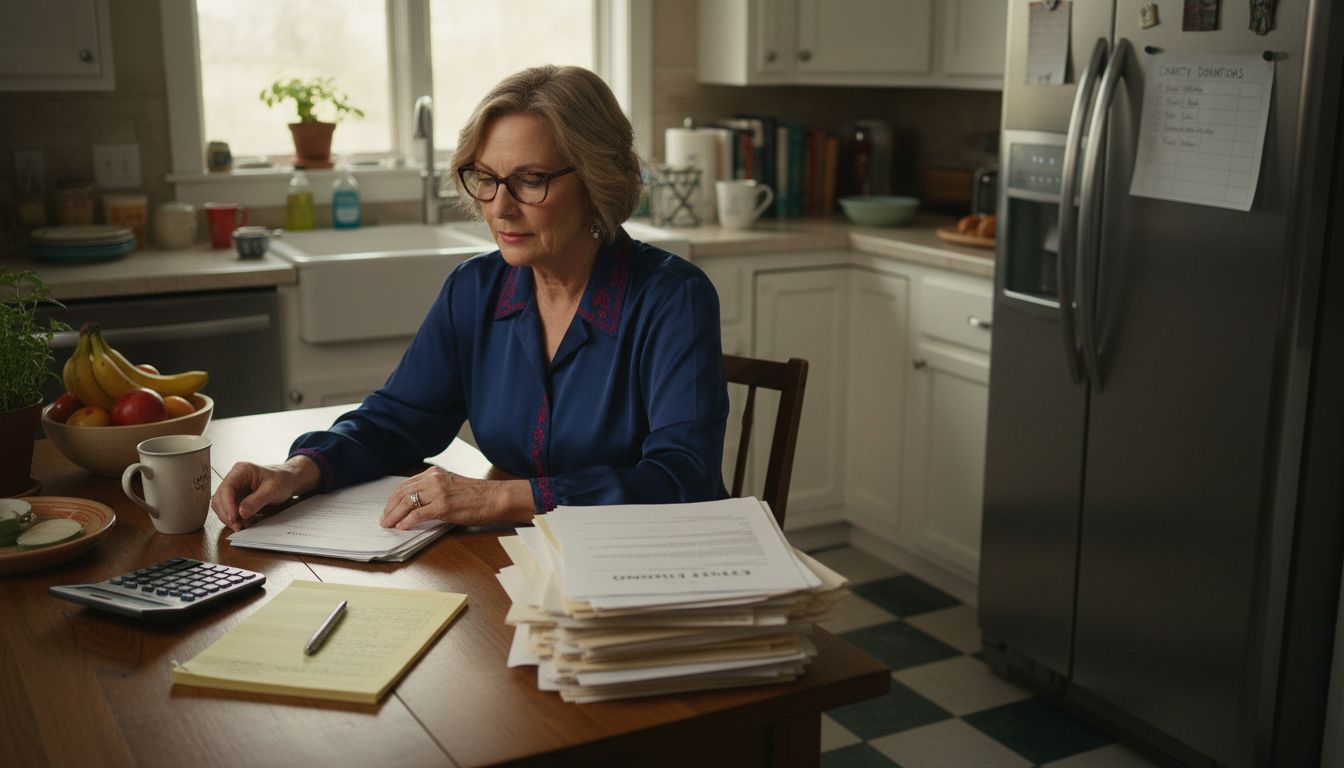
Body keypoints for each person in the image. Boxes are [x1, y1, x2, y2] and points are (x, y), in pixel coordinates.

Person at [212, 65, 729, 532]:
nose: (500, 208)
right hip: (524, 559)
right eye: (486, 178)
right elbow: (396, 421)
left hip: (655, 565)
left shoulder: (673, 299)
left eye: (531, 180)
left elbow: (682, 480)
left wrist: (497, 499)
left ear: (598, 179)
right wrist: (296, 470)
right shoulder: (475, 290)